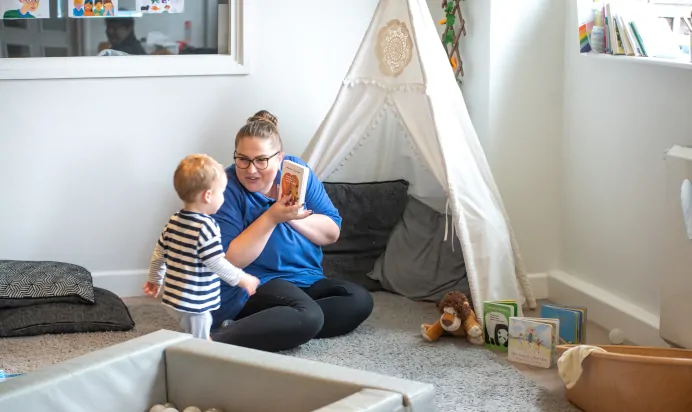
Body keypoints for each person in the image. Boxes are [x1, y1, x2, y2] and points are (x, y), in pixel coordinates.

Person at [210, 110, 374, 352]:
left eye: (261, 160)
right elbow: (231, 260)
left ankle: (269, 325)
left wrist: (292, 216)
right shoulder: (227, 187)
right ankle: (214, 341)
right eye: (242, 159)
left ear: (280, 158)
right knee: (308, 316)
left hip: (304, 279)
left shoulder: (297, 172)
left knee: (359, 301)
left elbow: (331, 232)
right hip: (254, 283)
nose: (251, 169)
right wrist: (272, 217)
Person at [143, 154, 260, 340]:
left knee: (190, 333)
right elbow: (216, 262)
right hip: (195, 304)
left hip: (173, 299)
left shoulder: (173, 220)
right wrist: (242, 278)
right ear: (208, 196)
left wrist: (155, 279)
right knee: (201, 341)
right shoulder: (207, 227)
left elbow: (159, 253)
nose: (223, 197)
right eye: (222, 192)